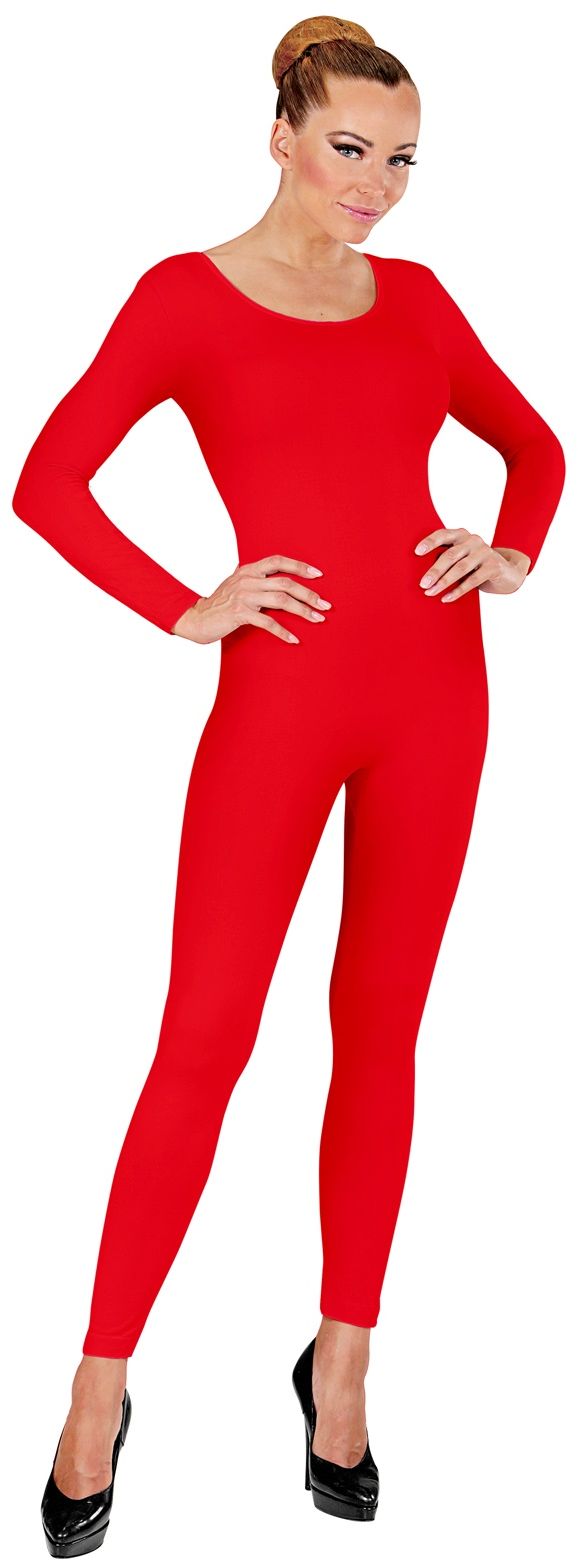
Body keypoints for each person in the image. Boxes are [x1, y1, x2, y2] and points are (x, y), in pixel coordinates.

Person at [12, 15, 566, 1544]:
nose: (375, 185)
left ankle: (342, 1364)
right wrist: (184, 603)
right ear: (279, 137)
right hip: (278, 704)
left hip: (437, 698)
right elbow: (47, 481)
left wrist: (510, 551)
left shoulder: (420, 301)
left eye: (402, 161)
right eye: (348, 150)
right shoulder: (184, 297)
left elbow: (533, 449)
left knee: (380, 1034)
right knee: (201, 1040)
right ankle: (96, 1386)